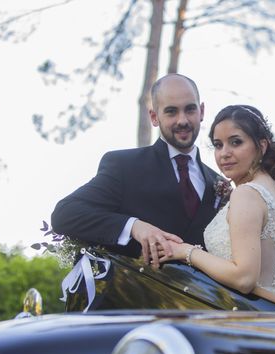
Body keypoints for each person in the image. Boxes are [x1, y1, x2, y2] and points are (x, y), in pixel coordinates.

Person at [164, 105, 275, 311]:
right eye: (218, 145)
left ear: (262, 145)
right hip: (269, 313)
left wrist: (186, 251)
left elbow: (244, 278)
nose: (224, 153)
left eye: (236, 142)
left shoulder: (247, 194)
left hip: (243, 313)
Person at [51, 73, 220, 266]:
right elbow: (65, 214)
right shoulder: (124, 165)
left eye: (190, 109)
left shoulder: (218, 184)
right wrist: (134, 226)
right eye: (171, 112)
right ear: (154, 117)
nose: (182, 120)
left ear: (202, 111)